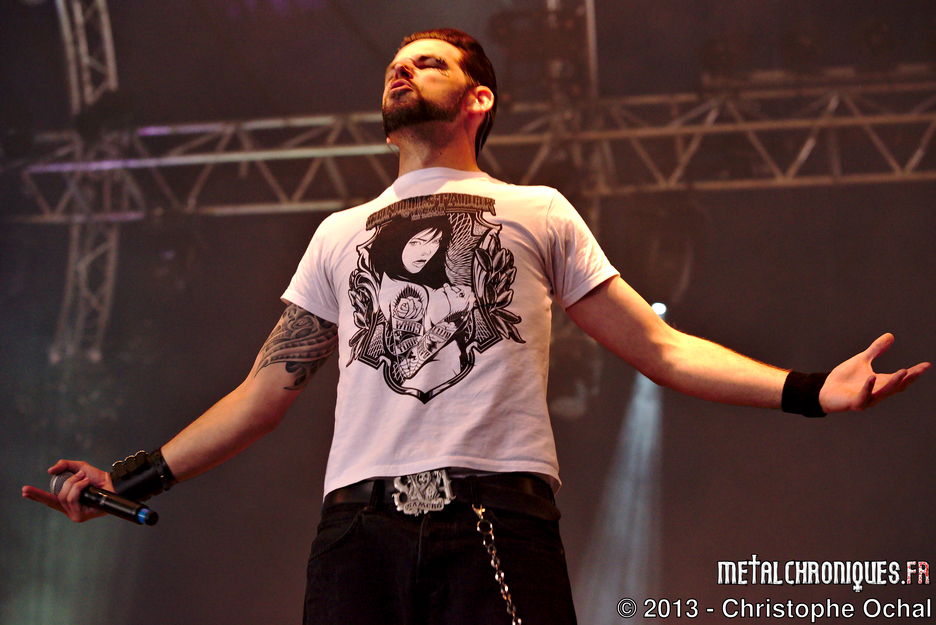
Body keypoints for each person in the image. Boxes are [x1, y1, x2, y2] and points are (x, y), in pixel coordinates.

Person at [22, 28, 930, 625]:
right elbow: (265, 391)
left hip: (496, 516)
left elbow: (657, 347)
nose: (401, 70)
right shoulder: (337, 233)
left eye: (428, 63)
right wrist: (131, 475)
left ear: (477, 99)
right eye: (396, 63)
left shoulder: (538, 209)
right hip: (357, 532)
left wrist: (812, 390)